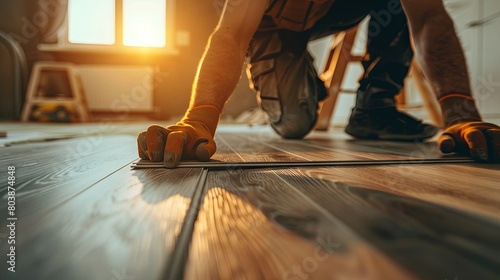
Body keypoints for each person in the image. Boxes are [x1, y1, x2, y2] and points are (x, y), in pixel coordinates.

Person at [138, 0, 500, 168]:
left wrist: (459, 110)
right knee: (295, 123)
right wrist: (200, 118)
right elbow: (231, 36)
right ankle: (297, 70)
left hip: (332, 10)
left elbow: (427, 17)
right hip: (270, 22)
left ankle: (374, 108)